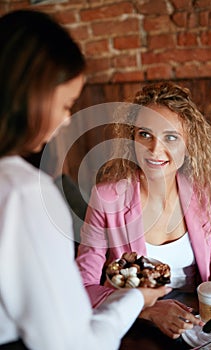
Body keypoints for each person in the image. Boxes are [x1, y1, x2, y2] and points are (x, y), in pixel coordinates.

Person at [0, 9, 170, 350]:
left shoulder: (202, 196)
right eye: (66, 105)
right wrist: (138, 302)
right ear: (28, 98)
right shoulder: (22, 194)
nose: (65, 121)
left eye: (170, 137)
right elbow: (73, 343)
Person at [76, 81, 211, 346]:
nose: (154, 149)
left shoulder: (206, 194)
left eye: (171, 137)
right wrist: (145, 310)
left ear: (189, 144)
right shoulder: (107, 198)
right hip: (139, 329)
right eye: (144, 134)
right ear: (131, 138)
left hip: (202, 324)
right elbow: (83, 285)